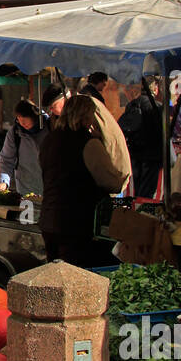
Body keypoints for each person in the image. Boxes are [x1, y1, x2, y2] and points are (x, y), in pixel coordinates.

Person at [38, 95, 131, 266]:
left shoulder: (49, 140)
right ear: (86, 116)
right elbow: (111, 183)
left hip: (49, 220)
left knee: (53, 276)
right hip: (76, 224)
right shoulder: (88, 143)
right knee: (76, 279)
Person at [119, 80, 163, 198]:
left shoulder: (132, 104)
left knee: (138, 188)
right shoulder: (157, 106)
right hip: (152, 154)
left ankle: (137, 210)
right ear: (154, 90)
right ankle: (143, 213)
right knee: (147, 190)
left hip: (135, 152)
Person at [0, 99, 47, 196]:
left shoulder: (50, 128)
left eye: (24, 120)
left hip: (49, 189)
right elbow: (6, 160)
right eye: (19, 120)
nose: (22, 123)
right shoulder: (15, 133)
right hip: (26, 189)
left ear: (34, 117)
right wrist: (3, 181)